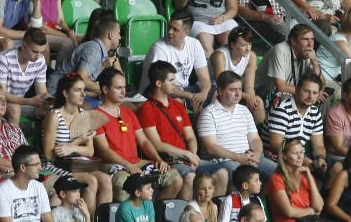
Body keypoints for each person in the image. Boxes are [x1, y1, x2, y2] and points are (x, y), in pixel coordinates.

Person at [138, 61, 229, 200]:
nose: (175, 83)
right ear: (158, 83)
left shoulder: (178, 105)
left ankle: (212, 214)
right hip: (168, 160)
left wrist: (192, 154)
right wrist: (186, 154)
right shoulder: (147, 108)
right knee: (190, 175)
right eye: (171, 80)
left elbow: (191, 137)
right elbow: (156, 144)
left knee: (222, 173)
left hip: (186, 158)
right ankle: (187, 218)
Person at [93, 68, 182, 201]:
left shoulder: (128, 112)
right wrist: (129, 166)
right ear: (105, 89)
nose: (124, 92)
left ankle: (152, 213)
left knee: (174, 177)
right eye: (118, 88)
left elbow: (144, 141)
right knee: (122, 181)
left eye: (124, 87)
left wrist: (158, 159)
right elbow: (104, 151)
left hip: (136, 162)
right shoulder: (96, 116)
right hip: (111, 164)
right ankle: (127, 218)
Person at [269, 139, 349, 222]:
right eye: (295, 153)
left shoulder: (305, 175)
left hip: (309, 221)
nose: (300, 157)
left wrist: (310, 178)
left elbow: (319, 206)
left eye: (302, 152)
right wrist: (310, 211)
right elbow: (289, 212)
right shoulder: (277, 178)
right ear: (284, 155)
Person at [198, 71, 277, 179]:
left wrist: (257, 154)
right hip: (223, 161)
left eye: (240, 89)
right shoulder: (208, 113)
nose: (238, 94)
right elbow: (210, 147)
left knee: (280, 174)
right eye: (232, 90)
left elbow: (254, 139)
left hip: (248, 157)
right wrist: (239, 158)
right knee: (244, 176)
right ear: (220, 91)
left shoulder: (244, 110)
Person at [138, 12, 212, 113]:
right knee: (176, 102)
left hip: (182, 90)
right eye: (169, 27)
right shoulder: (159, 49)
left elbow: (204, 78)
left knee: (217, 90)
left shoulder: (195, 44)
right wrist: (192, 97)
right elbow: (162, 85)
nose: (169, 32)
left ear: (187, 32)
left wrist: (203, 94)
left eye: (175, 29)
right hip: (158, 91)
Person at [48, 12, 121, 100]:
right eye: (119, 33)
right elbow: (80, 80)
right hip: (57, 93)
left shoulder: (96, 49)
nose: (120, 37)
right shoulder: (94, 51)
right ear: (111, 35)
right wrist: (108, 88)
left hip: (69, 92)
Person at [0, 27, 53, 124]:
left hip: (18, 103)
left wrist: (49, 101)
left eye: (41, 52)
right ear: (24, 45)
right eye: (35, 51)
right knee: (15, 109)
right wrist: (30, 101)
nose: (38, 56)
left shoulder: (40, 60)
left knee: (53, 112)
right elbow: (1, 95)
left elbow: (42, 93)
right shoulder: (4, 59)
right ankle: (15, 139)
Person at [255, 24, 327, 108]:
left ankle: (310, 120)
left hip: (290, 91)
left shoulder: (308, 53)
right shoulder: (280, 50)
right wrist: (310, 93)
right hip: (264, 92)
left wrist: (315, 62)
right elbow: (280, 87)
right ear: (293, 41)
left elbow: (321, 83)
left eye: (312, 39)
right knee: (289, 98)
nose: (310, 44)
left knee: (323, 98)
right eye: (305, 39)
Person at [263, 73, 326, 162]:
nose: (310, 96)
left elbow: (319, 146)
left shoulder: (315, 113)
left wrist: (320, 158)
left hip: (299, 158)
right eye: (306, 91)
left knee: (335, 167)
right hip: (277, 159)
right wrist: (303, 160)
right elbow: (276, 146)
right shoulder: (282, 109)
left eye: (314, 93)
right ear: (296, 90)